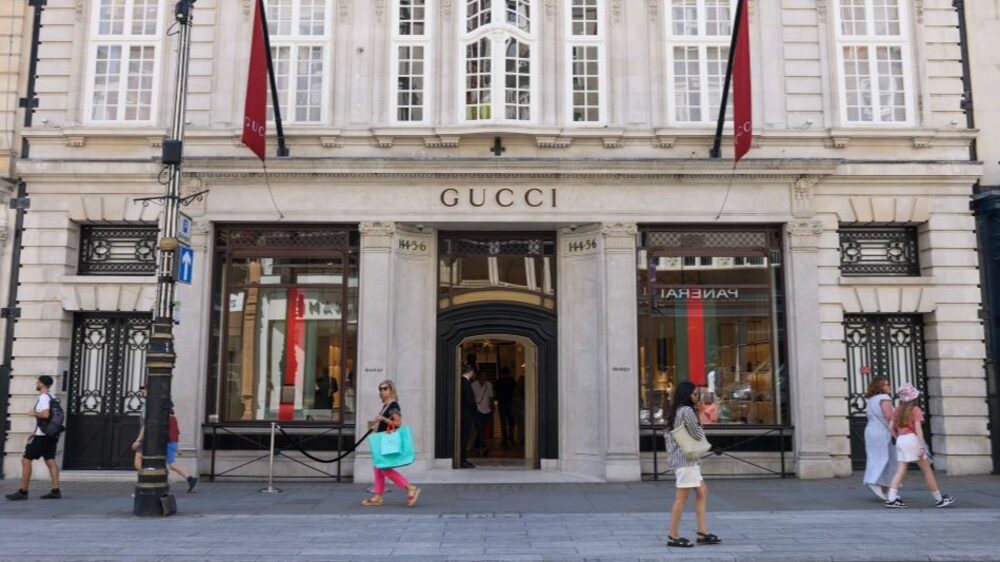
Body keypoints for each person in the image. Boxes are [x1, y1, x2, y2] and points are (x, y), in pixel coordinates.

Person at [664, 381, 720, 548]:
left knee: (702, 491)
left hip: (685, 460)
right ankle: (673, 536)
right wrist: (700, 416)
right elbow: (696, 434)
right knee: (681, 498)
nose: (697, 396)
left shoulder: (676, 410)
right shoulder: (687, 410)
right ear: (687, 395)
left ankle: (702, 532)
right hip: (686, 461)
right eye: (695, 393)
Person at [885, 383, 955, 509]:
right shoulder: (916, 410)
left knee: (900, 471)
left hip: (901, 440)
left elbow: (890, 427)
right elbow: (918, 430)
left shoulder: (897, 410)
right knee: (927, 471)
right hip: (912, 440)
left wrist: (897, 437)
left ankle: (891, 499)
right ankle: (939, 499)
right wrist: (922, 447)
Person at [361, 379, 421, 506]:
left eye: (385, 388)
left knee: (384, 468)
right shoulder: (386, 405)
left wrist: (383, 419)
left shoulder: (394, 405)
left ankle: (410, 487)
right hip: (382, 440)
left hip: (386, 441)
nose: (382, 391)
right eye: (380, 389)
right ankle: (378, 496)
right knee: (378, 468)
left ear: (391, 390)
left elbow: (398, 423)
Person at [6, 375, 62, 501]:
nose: (36, 383)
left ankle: (23, 491)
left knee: (26, 460)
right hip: (51, 434)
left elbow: (46, 415)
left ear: (42, 384)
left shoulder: (43, 397)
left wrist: (34, 413)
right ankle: (55, 490)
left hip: (42, 436)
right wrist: (34, 432)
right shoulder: (52, 396)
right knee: (50, 460)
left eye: (38, 382)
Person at [863, 376, 897, 500]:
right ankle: (874, 481)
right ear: (880, 386)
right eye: (887, 384)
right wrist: (896, 431)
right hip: (882, 431)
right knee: (886, 458)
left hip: (871, 430)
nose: (889, 387)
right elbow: (889, 416)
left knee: (875, 457)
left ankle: (885, 488)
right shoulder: (884, 398)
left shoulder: (872, 399)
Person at [167, 407, 199, 493]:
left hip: (168, 443)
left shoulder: (167, 419)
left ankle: (190, 478)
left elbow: (166, 432)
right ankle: (190, 479)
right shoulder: (174, 418)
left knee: (172, 464)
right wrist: (176, 448)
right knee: (171, 465)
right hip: (173, 442)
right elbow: (176, 432)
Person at [471, 370, 494, 455]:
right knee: (479, 427)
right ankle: (484, 445)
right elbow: (471, 397)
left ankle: (477, 444)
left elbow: (491, 397)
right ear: (479, 376)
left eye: (485, 375)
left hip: (487, 410)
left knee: (481, 429)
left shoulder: (489, 385)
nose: (484, 377)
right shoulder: (473, 385)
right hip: (477, 410)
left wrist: (492, 406)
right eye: (482, 375)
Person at [459, 366, 478, 468]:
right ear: (470, 372)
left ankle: (462, 459)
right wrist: (475, 406)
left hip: (464, 414)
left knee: (464, 437)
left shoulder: (461, 381)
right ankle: (462, 460)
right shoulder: (465, 382)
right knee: (464, 437)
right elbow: (469, 400)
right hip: (466, 414)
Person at [495, 368, 516, 447]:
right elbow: (515, 392)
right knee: (511, 421)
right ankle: (511, 437)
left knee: (503, 421)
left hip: (502, 403)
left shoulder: (499, 381)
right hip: (511, 403)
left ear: (502, 373)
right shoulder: (512, 381)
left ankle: (504, 439)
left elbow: (495, 391)